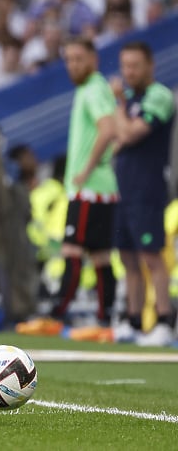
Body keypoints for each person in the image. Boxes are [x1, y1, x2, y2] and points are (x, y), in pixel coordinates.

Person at [17, 38, 118, 337]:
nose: (73, 65)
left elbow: (108, 130)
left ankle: (57, 314)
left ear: (93, 59)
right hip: (99, 188)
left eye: (79, 58)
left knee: (72, 250)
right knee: (99, 255)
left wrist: (86, 168)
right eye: (69, 59)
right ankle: (105, 320)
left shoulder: (94, 89)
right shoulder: (92, 88)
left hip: (89, 188)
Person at [110, 41, 176, 346]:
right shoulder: (133, 100)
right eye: (125, 66)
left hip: (147, 188)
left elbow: (127, 134)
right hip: (123, 188)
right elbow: (118, 139)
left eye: (135, 65)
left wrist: (119, 104)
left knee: (152, 257)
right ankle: (133, 321)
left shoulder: (159, 96)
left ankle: (164, 320)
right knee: (128, 258)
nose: (129, 72)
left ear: (151, 65)